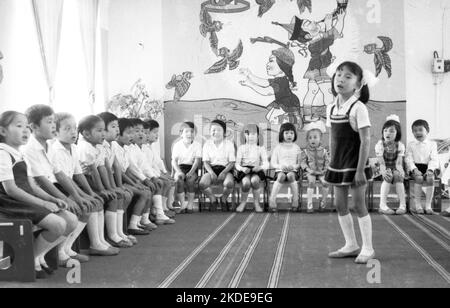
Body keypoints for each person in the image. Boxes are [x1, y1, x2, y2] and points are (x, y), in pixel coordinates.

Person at [0, 111, 74, 278]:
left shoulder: (20, 154)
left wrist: (51, 199)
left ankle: (36, 256)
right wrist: (43, 204)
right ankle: (28, 260)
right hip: (10, 203)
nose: (25, 130)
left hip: (24, 200)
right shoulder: (3, 153)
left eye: (27, 126)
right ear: (3, 131)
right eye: (19, 126)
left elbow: (32, 185)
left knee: (71, 220)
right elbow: (10, 189)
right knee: (58, 225)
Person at [325, 61, 375, 264]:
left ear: (358, 84)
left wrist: (361, 170)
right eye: (338, 75)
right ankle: (351, 244)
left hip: (355, 165)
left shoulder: (358, 107)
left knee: (359, 204)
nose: (341, 79)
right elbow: (332, 137)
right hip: (338, 164)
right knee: (340, 204)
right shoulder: (330, 107)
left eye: (348, 77)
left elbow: (366, 140)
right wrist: (329, 161)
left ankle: (368, 248)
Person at [21, 105, 80, 267]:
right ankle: (32, 259)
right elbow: (40, 181)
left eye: (54, 121)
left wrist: (75, 196)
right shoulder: (29, 149)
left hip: (44, 194)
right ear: (34, 127)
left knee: (72, 221)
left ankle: (40, 255)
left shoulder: (49, 146)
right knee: (63, 221)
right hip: (35, 196)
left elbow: (60, 174)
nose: (54, 125)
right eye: (49, 122)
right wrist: (60, 198)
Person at [239, 48, 301, 125]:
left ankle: (293, 121)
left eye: (271, 61)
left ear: (283, 66)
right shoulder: (278, 79)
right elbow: (263, 82)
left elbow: (266, 91)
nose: (267, 64)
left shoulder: (281, 82)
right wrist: (249, 75)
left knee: (273, 119)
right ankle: (288, 120)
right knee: (269, 117)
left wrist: (250, 84)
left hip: (288, 104)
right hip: (283, 102)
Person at [199, 119, 236, 211]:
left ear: (224, 132)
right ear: (210, 132)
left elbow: (232, 162)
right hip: (211, 169)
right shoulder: (207, 144)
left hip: (226, 169)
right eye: (213, 130)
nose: (216, 132)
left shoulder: (229, 144)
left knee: (229, 183)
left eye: (219, 130)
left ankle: (223, 199)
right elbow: (205, 162)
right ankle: (213, 199)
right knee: (202, 184)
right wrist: (211, 173)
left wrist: (224, 172)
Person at [405, 119, 439, 215]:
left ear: (427, 131)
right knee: (419, 178)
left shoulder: (432, 144)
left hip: (429, 167)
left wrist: (430, 169)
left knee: (430, 178)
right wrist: (414, 169)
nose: (418, 132)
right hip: (416, 167)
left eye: (420, 130)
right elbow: (408, 158)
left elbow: (434, 158)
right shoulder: (411, 144)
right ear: (412, 132)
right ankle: (418, 205)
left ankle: (428, 206)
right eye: (415, 131)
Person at [375, 115, 407, 215]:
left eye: (392, 131)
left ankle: (402, 205)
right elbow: (381, 163)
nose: (388, 133)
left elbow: (398, 163)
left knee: (398, 175)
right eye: (385, 130)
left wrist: (401, 171)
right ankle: (382, 205)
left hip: (394, 168)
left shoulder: (400, 145)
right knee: (388, 175)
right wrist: (384, 171)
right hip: (381, 169)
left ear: (397, 133)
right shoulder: (380, 145)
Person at [235, 124, 269, 213]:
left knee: (254, 181)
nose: (251, 137)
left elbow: (266, 164)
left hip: (256, 170)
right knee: (246, 183)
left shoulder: (261, 148)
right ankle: (243, 203)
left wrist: (260, 167)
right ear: (244, 135)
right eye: (248, 134)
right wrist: (242, 169)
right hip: (245, 171)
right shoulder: (241, 148)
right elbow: (237, 164)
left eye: (254, 134)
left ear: (258, 136)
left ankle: (256, 203)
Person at [269, 122, 301, 212]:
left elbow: (299, 164)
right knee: (281, 176)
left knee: (290, 175)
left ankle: (295, 201)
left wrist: (293, 166)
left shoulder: (297, 148)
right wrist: (280, 166)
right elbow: (273, 163)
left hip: (292, 171)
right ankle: (272, 200)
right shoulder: (278, 147)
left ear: (294, 134)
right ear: (281, 134)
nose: (289, 135)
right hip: (280, 171)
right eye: (286, 133)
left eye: (291, 133)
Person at [171, 122, 202, 213]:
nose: (189, 134)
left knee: (190, 180)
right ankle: (183, 204)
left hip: (192, 168)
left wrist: (191, 172)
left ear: (195, 134)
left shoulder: (197, 145)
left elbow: (197, 161)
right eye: (186, 132)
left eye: (192, 132)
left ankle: (190, 204)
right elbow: (174, 161)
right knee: (179, 180)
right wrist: (179, 172)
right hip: (180, 168)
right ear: (181, 134)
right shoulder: (177, 145)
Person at [300, 124, 329, 213]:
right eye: (310, 138)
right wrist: (308, 170)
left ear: (320, 139)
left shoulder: (324, 151)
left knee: (325, 182)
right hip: (311, 172)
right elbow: (303, 162)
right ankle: (309, 203)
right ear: (308, 140)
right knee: (311, 182)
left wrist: (325, 169)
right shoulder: (305, 151)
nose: (313, 139)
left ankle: (323, 202)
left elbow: (327, 162)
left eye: (315, 137)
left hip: (321, 172)